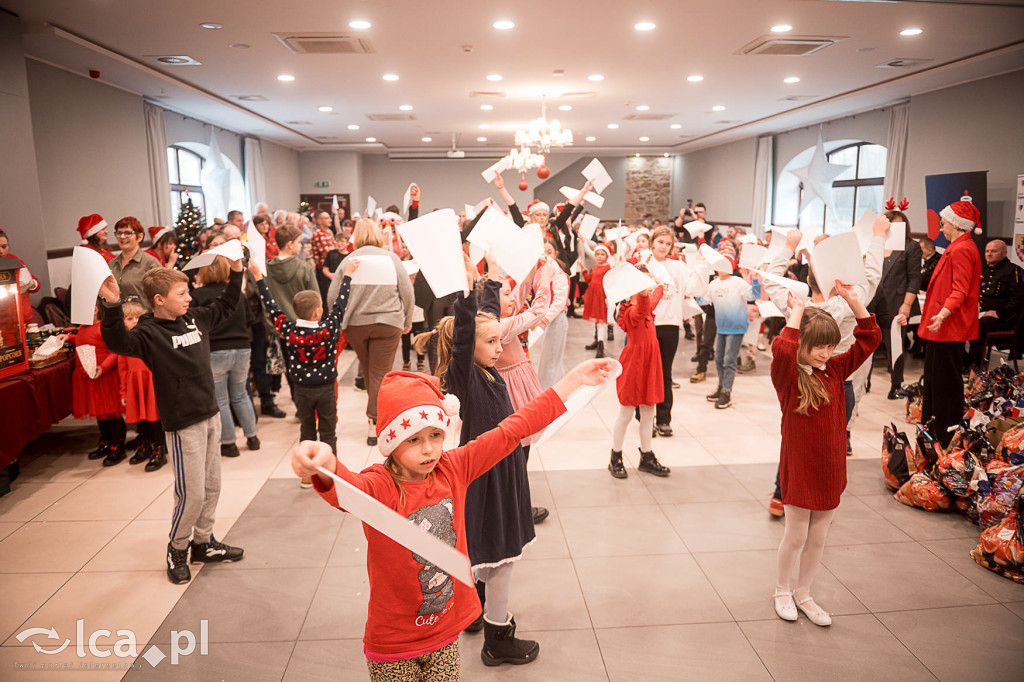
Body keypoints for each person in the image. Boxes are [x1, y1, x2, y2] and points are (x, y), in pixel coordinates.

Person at [293, 358, 611, 679]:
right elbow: (345, 488)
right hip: (393, 643)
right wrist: (323, 462)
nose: (429, 449)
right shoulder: (380, 485)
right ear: (391, 442)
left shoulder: (453, 468)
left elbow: (512, 429)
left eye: (435, 434)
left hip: (446, 633)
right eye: (414, 439)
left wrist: (571, 381)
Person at [100, 263, 246, 584]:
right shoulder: (148, 333)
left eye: (188, 292)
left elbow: (225, 305)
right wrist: (112, 305)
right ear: (159, 300)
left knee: (211, 486)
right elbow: (117, 343)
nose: (189, 299)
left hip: (210, 413)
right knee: (190, 493)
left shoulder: (195, 318)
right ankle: (177, 549)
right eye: (182, 294)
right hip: (183, 424)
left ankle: (203, 542)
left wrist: (237, 273)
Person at [433, 260, 548, 666]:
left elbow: (488, 323)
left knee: (488, 551)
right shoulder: (463, 374)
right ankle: (498, 638)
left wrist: (493, 281)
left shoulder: (487, 369)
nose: (500, 348)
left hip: (502, 472)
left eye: (501, 342)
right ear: (468, 348)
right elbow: (469, 336)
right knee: (501, 558)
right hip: (488, 478)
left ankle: (475, 608)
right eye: (493, 343)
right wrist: (466, 296)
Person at [762, 219, 888, 514]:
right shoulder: (843, 305)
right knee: (829, 443)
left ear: (808, 281)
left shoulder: (798, 308)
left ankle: (783, 494)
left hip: (801, 381)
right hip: (840, 379)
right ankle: (822, 493)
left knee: (796, 441)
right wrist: (879, 236)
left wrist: (788, 247)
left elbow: (770, 280)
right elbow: (871, 278)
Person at [772, 286, 880, 627]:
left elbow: (869, 339)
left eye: (830, 345)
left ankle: (804, 593)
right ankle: (782, 590)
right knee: (796, 534)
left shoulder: (834, 369)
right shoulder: (787, 377)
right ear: (802, 342)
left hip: (831, 467)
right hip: (800, 467)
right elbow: (784, 350)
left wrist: (853, 301)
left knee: (819, 537)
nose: (825, 352)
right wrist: (797, 311)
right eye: (817, 345)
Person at [252, 258, 356, 486]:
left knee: (307, 429)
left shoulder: (289, 330)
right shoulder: (328, 329)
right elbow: (341, 304)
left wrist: (258, 277)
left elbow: (271, 306)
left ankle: (307, 475)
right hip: (326, 388)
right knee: (328, 432)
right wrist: (347, 275)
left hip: (301, 390)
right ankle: (331, 475)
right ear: (319, 311)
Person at [326, 218, 415, 445]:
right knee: (380, 374)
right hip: (388, 322)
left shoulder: (348, 260)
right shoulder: (391, 259)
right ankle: (375, 422)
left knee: (369, 372)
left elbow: (332, 296)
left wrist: (338, 320)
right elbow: (407, 292)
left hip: (356, 325)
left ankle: (374, 418)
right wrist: (407, 318)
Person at [912, 200, 982, 447]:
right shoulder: (957, 247)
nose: (941, 228)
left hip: (948, 328)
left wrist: (942, 314)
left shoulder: (962, 249)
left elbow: (960, 290)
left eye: (944, 223)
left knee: (944, 386)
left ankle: (943, 435)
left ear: (956, 224)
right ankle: (934, 431)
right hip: (942, 329)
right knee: (934, 382)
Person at [190, 255, 260, 458]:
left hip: (215, 351)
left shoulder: (198, 296)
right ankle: (253, 437)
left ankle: (229, 443)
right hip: (242, 348)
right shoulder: (235, 293)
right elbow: (249, 319)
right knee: (241, 395)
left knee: (221, 399)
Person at [609, 283, 672, 478]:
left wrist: (660, 284)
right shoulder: (628, 312)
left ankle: (646, 456)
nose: (649, 289)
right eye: (645, 286)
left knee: (648, 412)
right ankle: (615, 457)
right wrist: (645, 291)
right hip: (633, 365)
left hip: (650, 362)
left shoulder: (646, 306)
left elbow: (653, 299)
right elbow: (644, 306)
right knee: (626, 413)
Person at [647, 226, 705, 434]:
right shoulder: (643, 264)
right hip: (648, 326)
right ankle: (644, 418)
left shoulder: (677, 266)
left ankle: (664, 420)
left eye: (667, 243)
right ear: (652, 242)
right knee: (645, 375)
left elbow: (695, 289)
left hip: (671, 325)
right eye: (660, 242)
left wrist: (701, 266)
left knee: (665, 374)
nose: (663, 246)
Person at [865, 206, 922, 399]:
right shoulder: (875, 243)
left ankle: (896, 384)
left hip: (896, 301)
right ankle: (865, 380)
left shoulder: (911, 246)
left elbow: (914, 278)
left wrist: (907, 304)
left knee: (894, 344)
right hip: (873, 301)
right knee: (867, 342)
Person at [61, 303, 125, 466]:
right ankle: (106, 440)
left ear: (95, 310)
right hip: (90, 375)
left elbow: (115, 351)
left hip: (104, 376)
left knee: (111, 414)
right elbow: (84, 339)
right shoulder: (83, 327)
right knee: (99, 413)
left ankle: (118, 445)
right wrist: (70, 338)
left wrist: (103, 368)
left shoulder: (103, 327)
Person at [264, 224, 319, 407]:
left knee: (290, 368)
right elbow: (315, 299)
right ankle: (304, 407)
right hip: (305, 328)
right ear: (289, 244)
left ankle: (297, 403)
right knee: (308, 368)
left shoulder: (266, 270)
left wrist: (274, 328)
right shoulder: (304, 268)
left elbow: (265, 303)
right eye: (298, 242)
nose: (301, 246)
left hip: (280, 328)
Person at [698, 263, 762, 410]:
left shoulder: (738, 282)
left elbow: (754, 295)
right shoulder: (713, 284)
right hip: (721, 327)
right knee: (719, 359)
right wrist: (694, 290)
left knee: (729, 360)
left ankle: (727, 393)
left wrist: (755, 280)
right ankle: (721, 387)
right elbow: (704, 300)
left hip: (736, 327)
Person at [117, 299, 166, 471]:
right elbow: (122, 369)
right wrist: (123, 392)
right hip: (135, 386)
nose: (135, 322)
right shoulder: (124, 343)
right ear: (122, 322)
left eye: (139, 317)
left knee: (156, 419)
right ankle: (144, 446)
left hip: (152, 384)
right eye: (130, 319)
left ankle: (159, 448)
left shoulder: (151, 338)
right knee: (141, 419)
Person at [964, 238, 1024, 373]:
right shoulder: (983, 270)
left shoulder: (1013, 271)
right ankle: (963, 360)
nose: (989, 254)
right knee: (955, 321)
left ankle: (974, 364)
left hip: (1004, 317)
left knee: (977, 326)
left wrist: (1000, 313)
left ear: (1004, 252)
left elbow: (1019, 298)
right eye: (987, 251)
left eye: (993, 251)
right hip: (981, 312)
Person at [110, 216, 162, 308]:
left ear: (140, 237)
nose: (122, 237)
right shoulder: (112, 264)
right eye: (119, 233)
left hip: (143, 319)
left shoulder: (150, 263)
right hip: (117, 319)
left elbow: (162, 294)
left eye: (128, 233)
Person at [0, 229, 41, 323]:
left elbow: (36, 286)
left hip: (24, 319)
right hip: (3, 323)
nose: (1, 251)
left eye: (4, 246)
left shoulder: (13, 260)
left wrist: (31, 283)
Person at [580, 243, 612, 356]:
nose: (599, 256)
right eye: (597, 254)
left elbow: (610, 283)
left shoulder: (608, 268)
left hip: (602, 297)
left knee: (600, 322)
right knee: (597, 321)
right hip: (593, 296)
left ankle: (600, 345)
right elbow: (589, 280)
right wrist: (584, 269)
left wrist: (609, 297)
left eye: (602, 254)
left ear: (607, 256)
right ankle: (597, 339)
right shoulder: (595, 267)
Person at [310, 209, 336, 304]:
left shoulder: (328, 233)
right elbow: (328, 253)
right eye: (326, 218)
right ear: (319, 221)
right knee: (326, 297)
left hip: (330, 268)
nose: (330, 220)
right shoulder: (318, 233)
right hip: (322, 270)